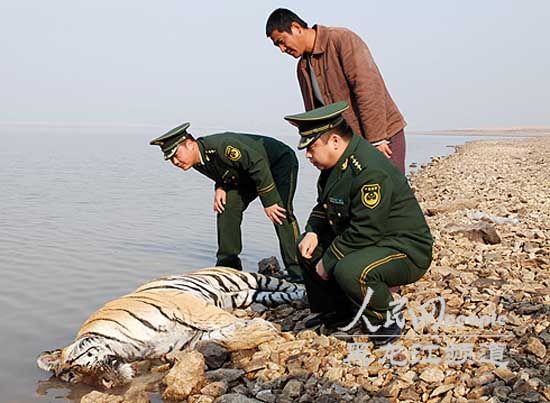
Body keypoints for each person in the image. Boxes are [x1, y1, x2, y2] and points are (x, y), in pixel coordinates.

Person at [284, 101, 432, 345]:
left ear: (334, 141)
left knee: (350, 270)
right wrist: (311, 231)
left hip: (403, 249)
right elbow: (323, 207)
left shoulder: (369, 170)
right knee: (305, 247)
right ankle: (338, 311)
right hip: (371, 240)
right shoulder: (334, 166)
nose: (308, 155)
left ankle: (385, 318)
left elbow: (366, 229)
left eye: (311, 147)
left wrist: (329, 260)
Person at [150, 122, 302, 280]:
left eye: (176, 155)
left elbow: (257, 164)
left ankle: (297, 270)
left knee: (280, 212)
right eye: (171, 159)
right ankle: (228, 266)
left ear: (189, 144)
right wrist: (220, 187)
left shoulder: (222, 146)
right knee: (226, 207)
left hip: (278, 162)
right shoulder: (195, 161)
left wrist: (269, 201)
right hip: (246, 174)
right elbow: (224, 169)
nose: (175, 162)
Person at [266, 8, 407, 174]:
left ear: (296, 28)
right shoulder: (302, 68)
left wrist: (377, 140)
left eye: (282, 41)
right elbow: (315, 117)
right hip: (346, 147)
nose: (282, 49)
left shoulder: (341, 39)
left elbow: (369, 89)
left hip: (382, 136)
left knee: (391, 194)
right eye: (277, 46)